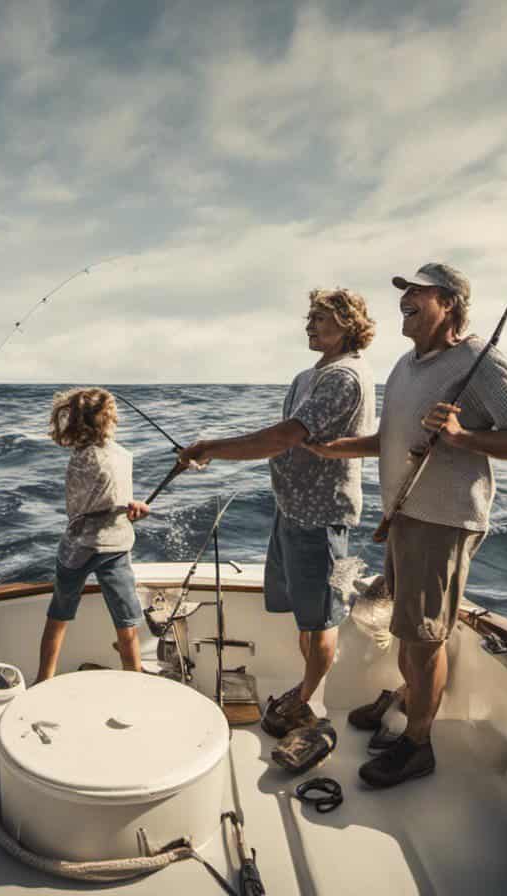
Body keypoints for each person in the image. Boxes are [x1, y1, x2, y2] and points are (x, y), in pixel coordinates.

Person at [308, 262, 507, 788]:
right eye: (405, 291)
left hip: (441, 521)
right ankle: (405, 698)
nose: (406, 298)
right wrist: (330, 448)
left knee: (421, 640)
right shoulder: (405, 364)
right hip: (402, 517)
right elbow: (389, 439)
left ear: (450, 304)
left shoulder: (478, 362)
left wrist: (464, 437)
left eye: (419, 292)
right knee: (409, 630)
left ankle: (418, 744)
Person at [178, 288, 377, 739]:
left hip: (323, 517)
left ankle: (306, 702)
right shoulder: (307, 375)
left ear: (348, 324)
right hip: (291, 511)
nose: (309, 325)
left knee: (322, 617)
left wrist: (211, 448)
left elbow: (285, 436)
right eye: (309, 317)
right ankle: (306, 691)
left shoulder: (344, 377)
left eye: (321, 318)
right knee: (306, 615)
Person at [36, 388, 151, 682]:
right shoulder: (122, 455)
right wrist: (130, 508)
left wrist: (127, 507)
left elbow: (77, 510)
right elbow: (111, 501)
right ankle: (134, 673)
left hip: (80, 549)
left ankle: (43, 678)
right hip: (114, 546)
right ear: (110, 418)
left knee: (59, 614)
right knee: (127, 622)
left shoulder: (82, 457)